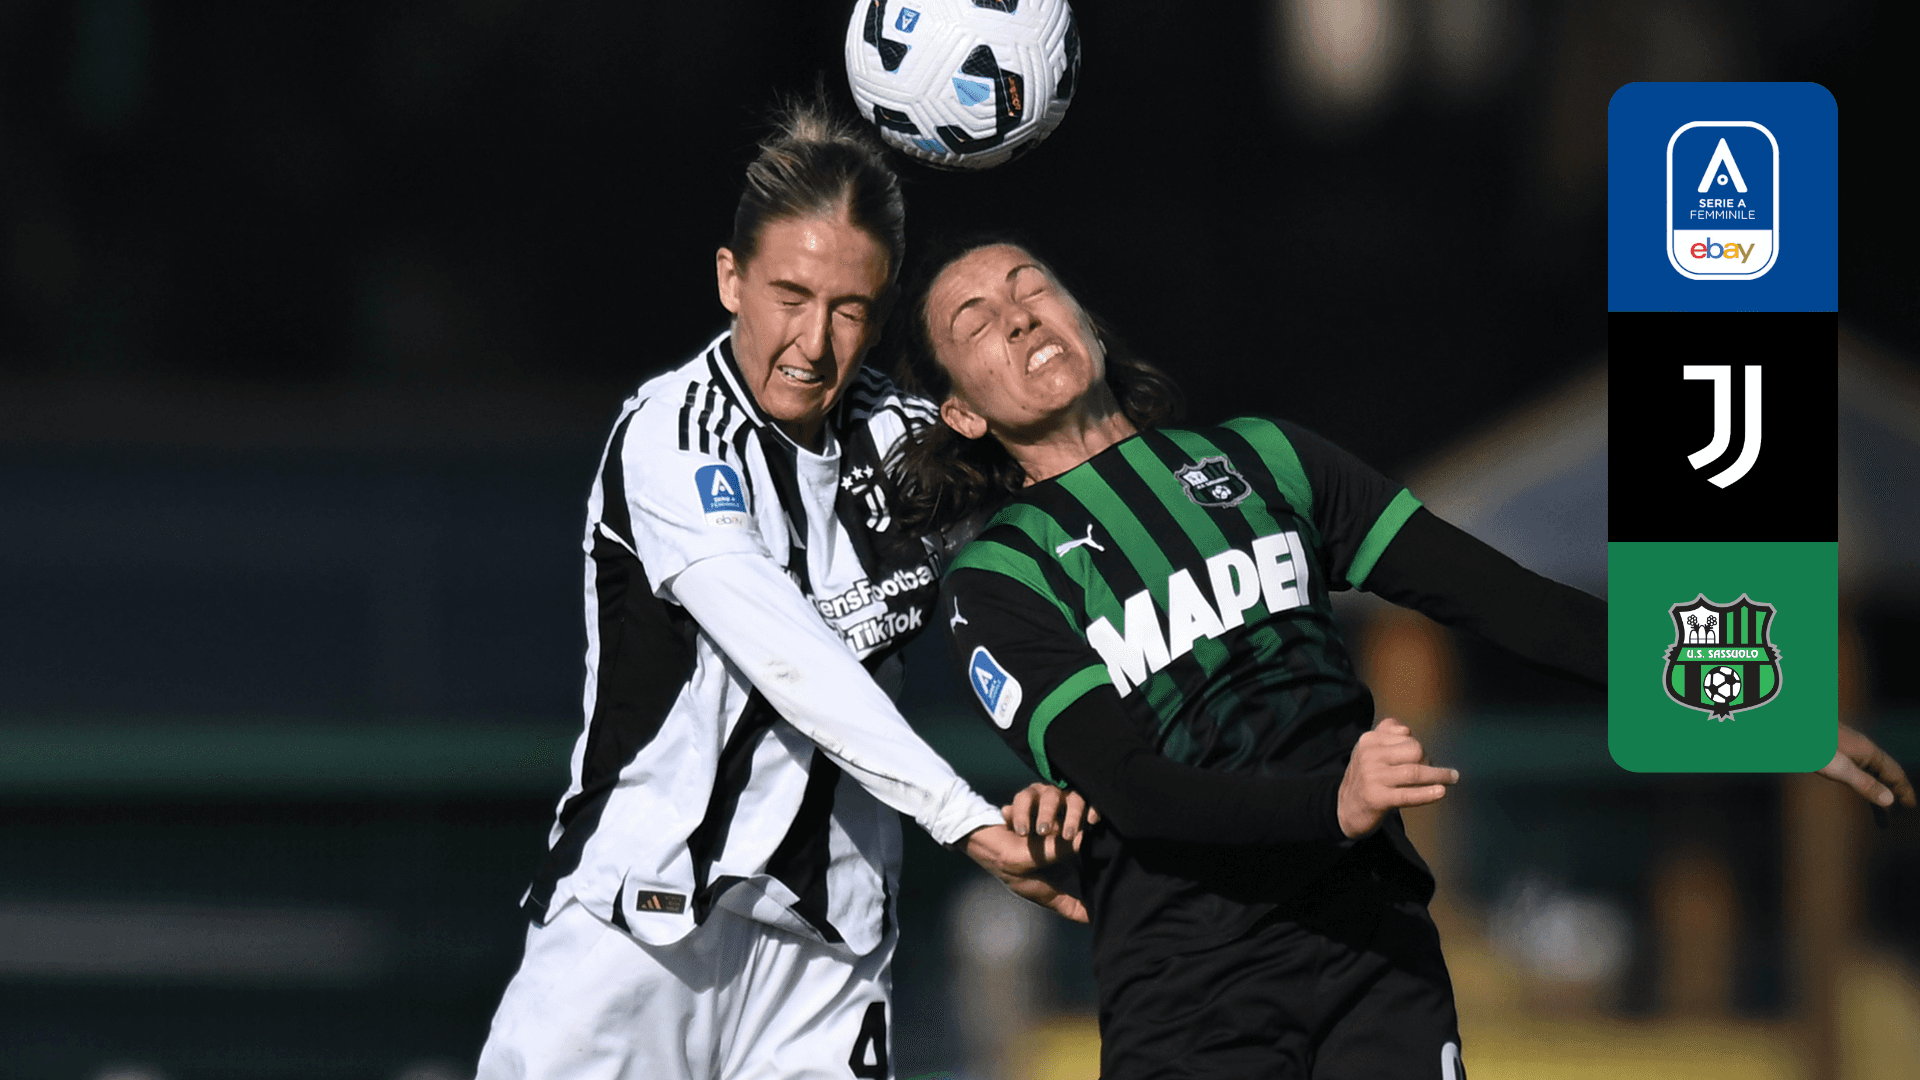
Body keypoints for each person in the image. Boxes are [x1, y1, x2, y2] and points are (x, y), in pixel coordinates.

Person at [886, 237, 1917, 1080]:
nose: (1017, 315)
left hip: (1371, 943)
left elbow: (1511, 602)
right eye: (975, 321)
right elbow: (1132, 789)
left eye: (1033, 287)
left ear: (1084, 320)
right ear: (961, 412)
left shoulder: (1267, 458)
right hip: (1190, 982)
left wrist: (1753, 708)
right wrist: (1328, 806)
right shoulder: (998, 579)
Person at [475, 109, 1080, 1080]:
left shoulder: (905, 441)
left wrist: (1075, 763)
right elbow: (790, 658)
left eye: (849, 309)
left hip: (826, 955)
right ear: (730, 279)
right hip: (644, 930)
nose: (812, 340)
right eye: (789, 295)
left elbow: (1064, 549)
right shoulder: (674, 436)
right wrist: (965, 817)